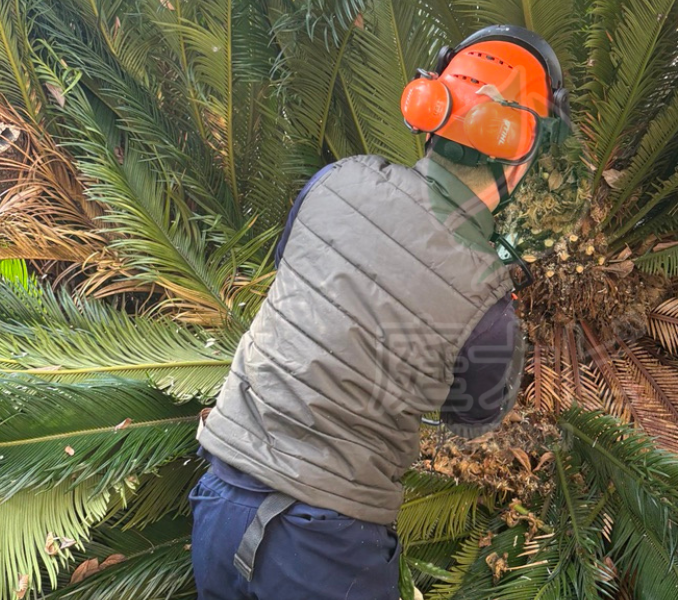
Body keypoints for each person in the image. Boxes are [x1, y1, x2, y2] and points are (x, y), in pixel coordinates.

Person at [187, 24, 571, 600]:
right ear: (521, 161)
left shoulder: (336, 181)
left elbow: (302, 276)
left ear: (432, 116)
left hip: (219, 505)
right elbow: (470, 419)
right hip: (324, 550)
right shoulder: (488, 303)